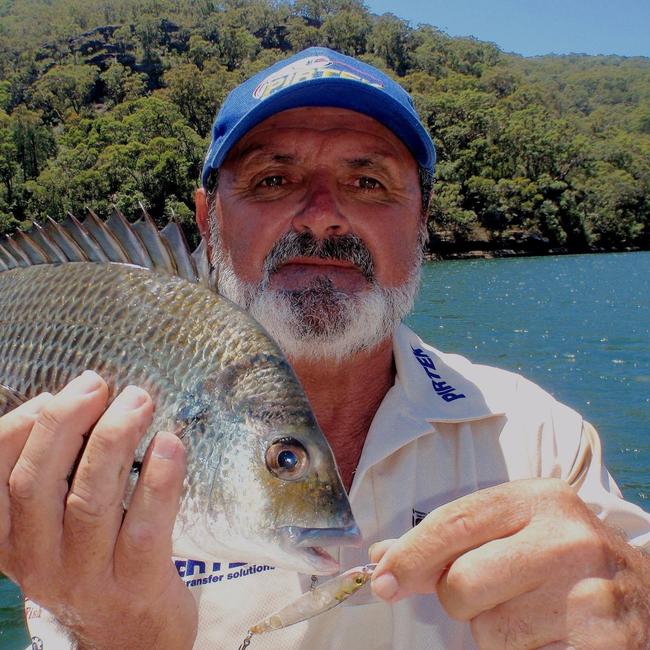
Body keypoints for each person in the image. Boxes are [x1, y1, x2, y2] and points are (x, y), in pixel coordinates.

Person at [4, 47, 650, 650]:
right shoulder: (76, 421)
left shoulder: (538, 439)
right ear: (208, 219)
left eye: (368, 182)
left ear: (421, 220)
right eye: (273, 179)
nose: (321, 215)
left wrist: (632, 608)